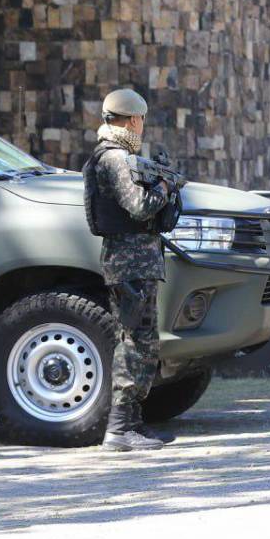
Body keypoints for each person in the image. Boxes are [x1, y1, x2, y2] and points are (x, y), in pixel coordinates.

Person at [82, 89, 174, 453]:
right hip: (131, 263)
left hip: (132, 262)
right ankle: (119, 429)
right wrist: (164, 188)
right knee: (135, 342)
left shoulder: (107, 158)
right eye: (141, 120)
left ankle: (132, 424)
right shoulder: (115, 159)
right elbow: (138, 206)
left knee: (143, 341)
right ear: (133, 120)